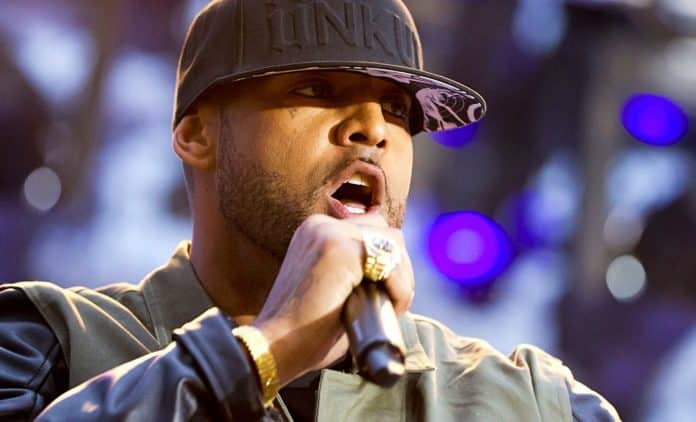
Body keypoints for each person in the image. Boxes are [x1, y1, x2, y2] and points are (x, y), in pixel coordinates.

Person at [0, 0, 620, 420]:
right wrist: (264, 351)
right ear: (197, 134)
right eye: (317, 89)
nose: (372, 128)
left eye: (397, 110)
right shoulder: (44, 346)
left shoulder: (529, 402)